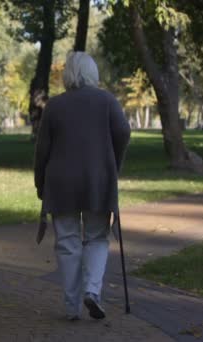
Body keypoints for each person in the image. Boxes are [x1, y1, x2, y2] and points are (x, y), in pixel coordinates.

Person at [34, 51, 131, 321]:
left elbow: (42, 150)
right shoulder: (107, 101)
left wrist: (40, 183)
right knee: (97, 237)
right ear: (93, 74)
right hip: (97, 180)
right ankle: (92, 291)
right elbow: (123, 133)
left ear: (68, 75)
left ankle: (71, 305)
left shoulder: (55, 105)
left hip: (61, 182)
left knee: (67, 242)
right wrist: (114, 163)